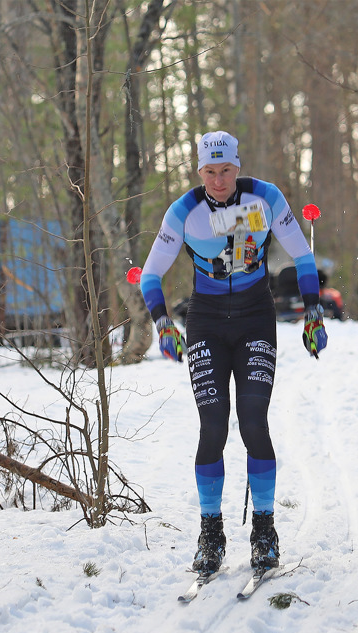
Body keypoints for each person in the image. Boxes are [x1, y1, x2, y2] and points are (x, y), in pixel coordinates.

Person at [138, 130, 328, 576]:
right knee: (213, 424)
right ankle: (211, 532)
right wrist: (163, 323)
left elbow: (302, 257)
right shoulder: (184, 211)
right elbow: (150, 275)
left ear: (237, 167)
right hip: (205, 322)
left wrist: (314, 311)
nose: (219, 180)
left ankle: (264, 529)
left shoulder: (264, 198)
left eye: (226, 171)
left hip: (255, 318)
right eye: (210, 172)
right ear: (199, 171)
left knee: (254, 418)